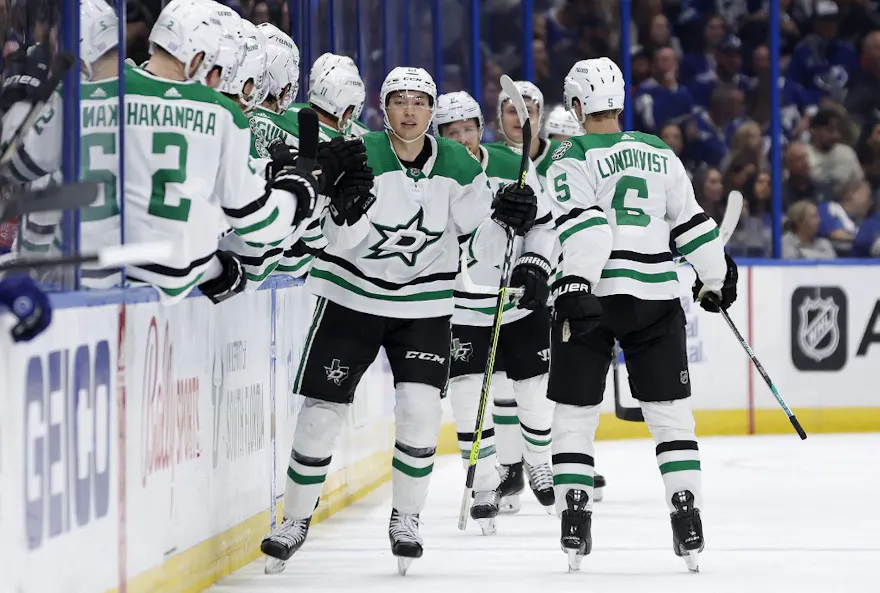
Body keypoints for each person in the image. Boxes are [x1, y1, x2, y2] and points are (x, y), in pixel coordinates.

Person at [259, 67, 539, 575]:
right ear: (383, 108)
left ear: (432, 111)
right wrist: (341, 212)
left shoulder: (458, 164)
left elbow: (480, 250)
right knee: (321, 413)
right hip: (351, 297)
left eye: (420, 102)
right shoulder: (358, 152)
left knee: (419, 412)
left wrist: (509, 217)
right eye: (399, 101)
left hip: (424, 308)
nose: (410, 111)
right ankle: (294, 519)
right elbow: (336, 241)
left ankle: (406, 519)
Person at [546, 57, 736, 573]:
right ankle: (686, 514)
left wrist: (576, 281)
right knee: (670, 415)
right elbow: (692, 223)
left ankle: (574, 516)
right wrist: (715, 276)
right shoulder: (658, 150)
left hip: (593, 296)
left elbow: (586, 228)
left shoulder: (568, 150)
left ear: (578, 105)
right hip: (655, 298)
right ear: (622, 101)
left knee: (574, 416)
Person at [122, 0, 319, 303]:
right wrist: (299, 190)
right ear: (198, 57)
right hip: (166, 283)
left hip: (94, 273)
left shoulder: (108, 87)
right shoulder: (219, 112)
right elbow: (257, 223)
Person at [433, 90, 557, 532]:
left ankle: (540, 462)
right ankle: (484, 479)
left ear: (480, 129)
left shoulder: (511, 164)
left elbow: (544, 226)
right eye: (452, 131)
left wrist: (536, 264)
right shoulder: (435, 173)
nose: (463, 138)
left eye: (468, 128)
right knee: (468, 393)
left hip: (518, 301)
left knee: (533, 388)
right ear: (440, 134)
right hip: (464, 305)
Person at [0, 0, 122, 287]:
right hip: (118, 271)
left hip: (59, 276)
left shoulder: (64, 105)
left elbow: (13, 165)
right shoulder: (137, 94)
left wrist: (19, 100)